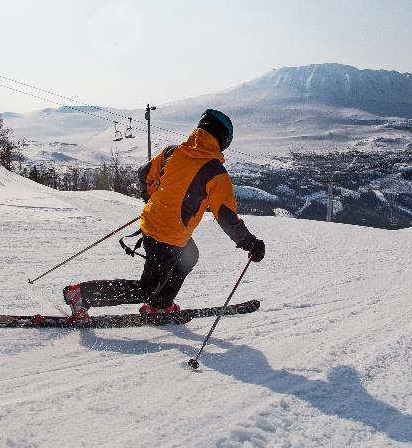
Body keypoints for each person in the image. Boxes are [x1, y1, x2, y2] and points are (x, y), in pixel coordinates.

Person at [63, 109, 265, 323]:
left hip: (154, 226)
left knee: (190, 255)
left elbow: (144, 174)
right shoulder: (216, 173)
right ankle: (81, 295)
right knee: (146, 289)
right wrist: (250, 243)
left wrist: (151, 200)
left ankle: (161, 304)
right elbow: (226, 217)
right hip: (167, 237)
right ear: (222, 139)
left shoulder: (173, 152)